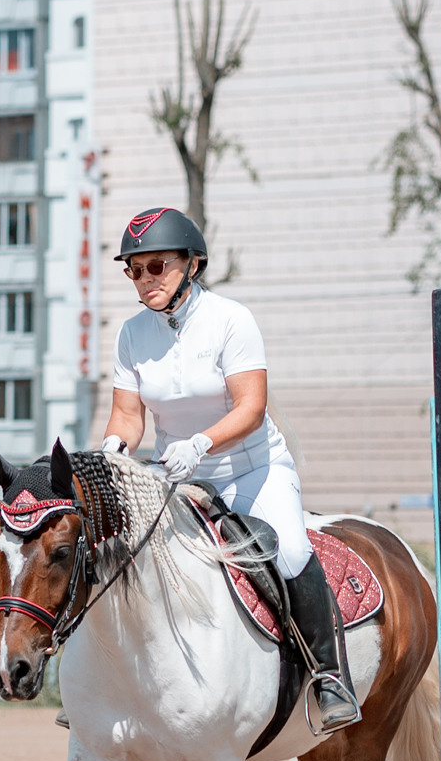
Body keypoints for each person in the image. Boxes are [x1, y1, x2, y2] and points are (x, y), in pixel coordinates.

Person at [98, 206, 360, 734]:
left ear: (191, 265)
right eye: (134, 269)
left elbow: (250, 407)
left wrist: (200, 442)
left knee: (288, 550)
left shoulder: (231, 320)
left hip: (252, 469)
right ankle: (110, 683)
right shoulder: (131, 334)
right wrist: (112, 450)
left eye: (156, 267)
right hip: (179, 477)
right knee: (119, 554)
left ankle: (330, 677)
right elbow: (129, 415)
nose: (143, 279)